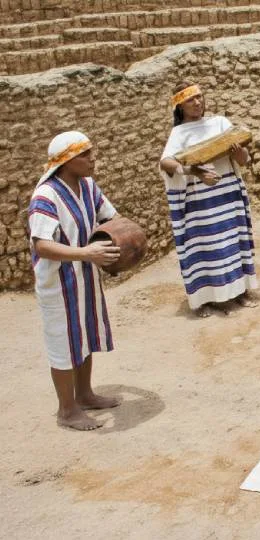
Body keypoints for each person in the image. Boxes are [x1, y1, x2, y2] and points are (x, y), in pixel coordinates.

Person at [28, 131, 122, 430]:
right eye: (85, 155)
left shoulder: (88, 187)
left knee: (85, 335)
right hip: (59, 283)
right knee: (63, 343)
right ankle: (66, 411)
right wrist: (86, 252)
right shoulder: (46, 196)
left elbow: (110, 217)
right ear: (66, 161)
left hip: (85, 275)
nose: (92, 159)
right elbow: (41, 244)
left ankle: (85, 394)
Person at [158, 81, 259, 318]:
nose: (198, 102)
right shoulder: (178, 133)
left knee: (233, 242)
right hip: (201, 202)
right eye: (191, 99)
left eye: (200, 97)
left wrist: (238, 152)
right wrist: (195, 172)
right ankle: (213, 299)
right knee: (212, 247)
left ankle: (239, 292)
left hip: (228, 194)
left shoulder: (221, 123)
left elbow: (244, 160)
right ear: (180, 106)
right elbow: (166, 163)